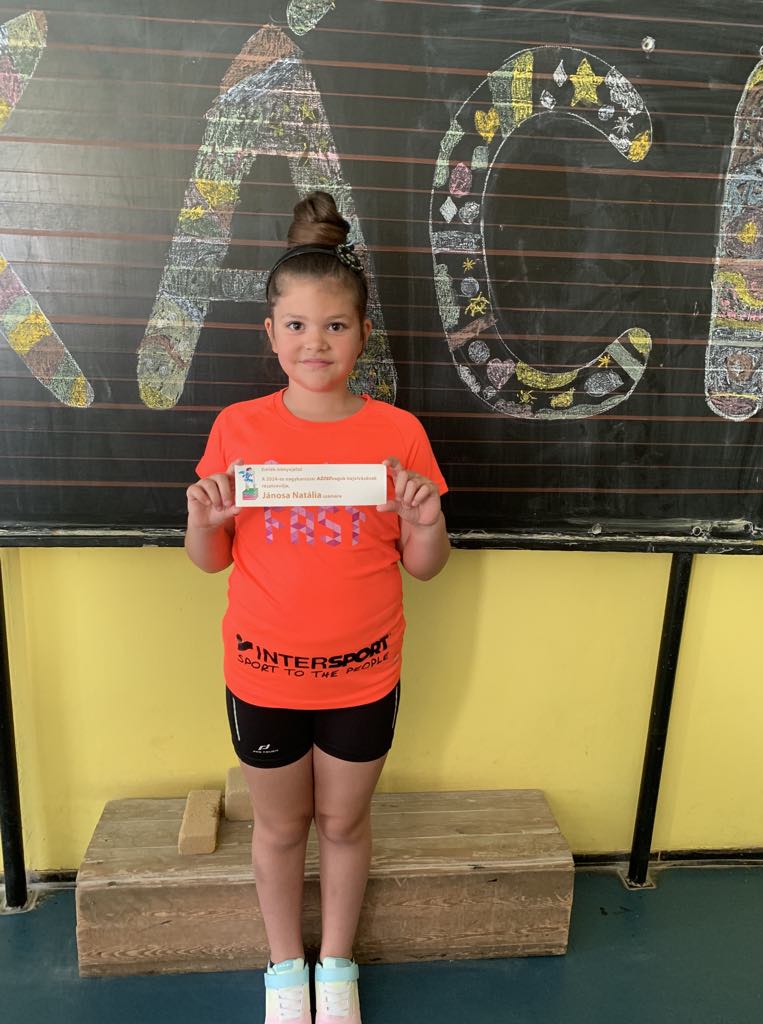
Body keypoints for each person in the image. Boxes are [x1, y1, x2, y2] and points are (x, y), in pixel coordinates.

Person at [185, 191, 450, 1024]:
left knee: (343, 822)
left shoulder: (398, 435)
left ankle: (336, 967)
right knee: (278, 828)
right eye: (297, 325)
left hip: (363, 676)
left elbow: (425, 568)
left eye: (335, 325)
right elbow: (210, 560)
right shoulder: (238, 428)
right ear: (270, 333)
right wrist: (203, 519)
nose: (316, 342)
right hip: (263, 673)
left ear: (363, 334)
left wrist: (426, 522)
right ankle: (282, 968)